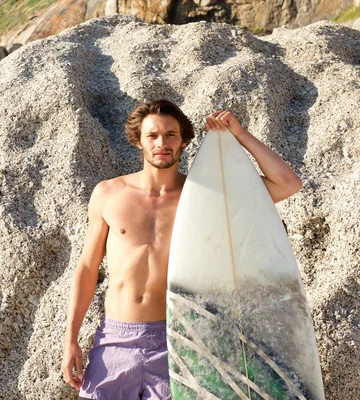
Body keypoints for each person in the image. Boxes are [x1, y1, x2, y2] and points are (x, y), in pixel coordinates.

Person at [61, 99, 303, 400]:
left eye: (171, 135)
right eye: (152, 135)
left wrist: (239, 134)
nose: (162, 143)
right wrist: (71, 337)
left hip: (177, 340)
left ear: (184, 141)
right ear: (139, 141)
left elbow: (288, 183)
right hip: (114, 340)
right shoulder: (109, 194)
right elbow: (87, 268)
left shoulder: (203, 196)